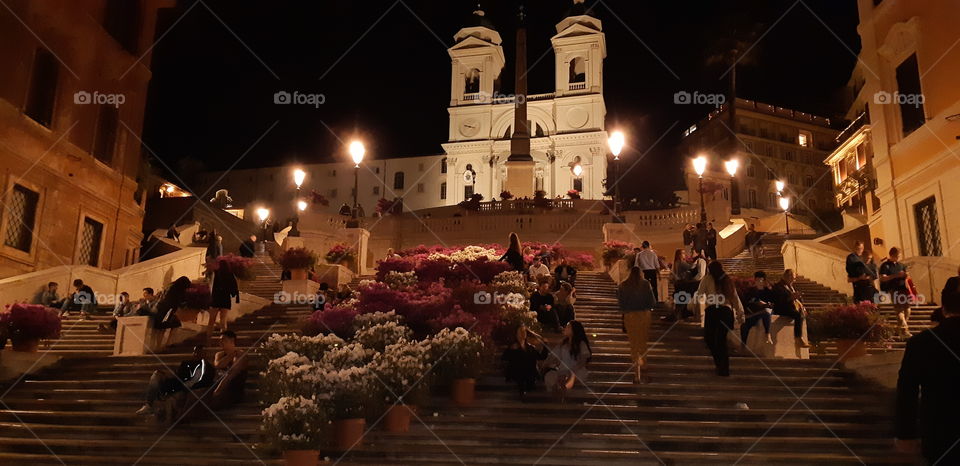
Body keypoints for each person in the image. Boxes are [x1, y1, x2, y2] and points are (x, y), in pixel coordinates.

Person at [894, 280, 960, 463]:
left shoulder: (920, 343)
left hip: (940, 433)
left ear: (944, 308)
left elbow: (907, 392)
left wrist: (905, 434)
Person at [136, 345, 214, 415]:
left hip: (189, 391)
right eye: (195, 352)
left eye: (199, 352)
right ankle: (149, 405)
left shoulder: (209, 369)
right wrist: (166, 376)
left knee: (172, 399)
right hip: (178, 385)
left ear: (205, 354)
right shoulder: (186, 364)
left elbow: (205, 383)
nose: (196, 354)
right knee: (156, 375)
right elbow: (177, 376)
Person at [699, 261, 745, 376]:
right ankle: (723, 367)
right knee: (720, 340)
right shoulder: (727, 280)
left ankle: (721, 365)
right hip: (725, 312)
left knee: (710, 339)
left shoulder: (707, 279)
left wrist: (693, 307)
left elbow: (699, 294)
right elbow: (735, 298)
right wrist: (740, 313)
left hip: (713, 311)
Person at [618, 267, 656, 383]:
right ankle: (644, 366)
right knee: (642, 342)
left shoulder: (623, 285)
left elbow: (621, 304)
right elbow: (652, 302)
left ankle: (636, 373)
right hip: (644, 315)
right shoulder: (645, 284)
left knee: (633, 343)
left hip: (630, 316)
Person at [542, 320, 592, 398]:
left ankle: (563, 389)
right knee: (550, 376)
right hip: (562, 370)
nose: (565, 328)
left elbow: (584, 359)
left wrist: (572, 370)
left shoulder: (581, 343)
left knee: (572, 376)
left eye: (568, 327)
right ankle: (558, 389)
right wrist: (545, 364)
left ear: (574, 330)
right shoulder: (563, 343)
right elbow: (553, 356)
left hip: (576, 370)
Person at [501, 325, 549, 398]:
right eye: (520, 332)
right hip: (516, 371)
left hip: (529, 371)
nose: (522, 333)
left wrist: (545, 345)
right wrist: (511, 350)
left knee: (529, 369)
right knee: (521, 366)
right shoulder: (512, 346)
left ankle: (528, 386)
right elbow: (504, 358)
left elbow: (541, 357)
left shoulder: (530, 347)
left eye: (524, 331)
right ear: (516, 334)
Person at [772, 269, 810, 348]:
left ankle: (801, 337)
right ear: (787, 277)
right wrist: (790, 298)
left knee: (801, 314)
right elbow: (779, 301)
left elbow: (797, 300)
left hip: (791, 307)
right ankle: (798, 338)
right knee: (797, 315)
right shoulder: (778, 286)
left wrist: (798, 297)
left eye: (794, 278)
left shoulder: (791, 286)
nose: (793, 280)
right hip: (781, 308)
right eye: (792, 277)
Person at [881, 247, 912, 338]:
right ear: (892, 255)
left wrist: (906, 275)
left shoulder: (901, 265)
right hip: (893, 290)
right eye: (897, 256)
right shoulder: (885, 265)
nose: (898, 258)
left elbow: (908, 275)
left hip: (904, 289)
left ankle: (899, 329)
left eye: (899, 256)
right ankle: (905, 330)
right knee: (899, 310)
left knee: (908, 309)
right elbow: (883, 278)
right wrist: (896, 275)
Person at [212, 330, 248, 408]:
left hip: (233, 388)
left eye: (223, 340)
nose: (220, 342)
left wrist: (217, 391)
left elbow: (231, 374)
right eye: (220, 340)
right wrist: (231, 355)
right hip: (217, 384)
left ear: (232, 341)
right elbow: (218, 365)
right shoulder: (219, 354)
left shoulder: (240, 354)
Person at [155, 277, 191, 348]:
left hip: (162, 308)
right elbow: (178, 300)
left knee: (166, 326)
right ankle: (164, 344)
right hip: (168, 310)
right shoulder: (177, 289)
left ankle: (161, 344)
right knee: (165, 326)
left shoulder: (170, 286)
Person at [741, 271, 774, 347]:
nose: (758, 282)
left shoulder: (768, 291)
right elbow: (746, 303)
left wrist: (766, 304)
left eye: (760, 280)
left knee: (766, 312)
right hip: (754, 313)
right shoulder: (750, 291)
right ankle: (743, 345)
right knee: (744, 326)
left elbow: (773, 302)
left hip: (765, 312)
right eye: (757, 280)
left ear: (764, 281)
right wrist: (755, 303)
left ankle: (767, 334)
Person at [210, 259, 239, 334]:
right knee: (223, 321)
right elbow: (234, 287)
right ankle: (223, 339)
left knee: (211, 321)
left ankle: (208, 340)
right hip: (225, 299)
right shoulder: (230, 274)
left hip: (216, 299)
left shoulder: (217, 273)